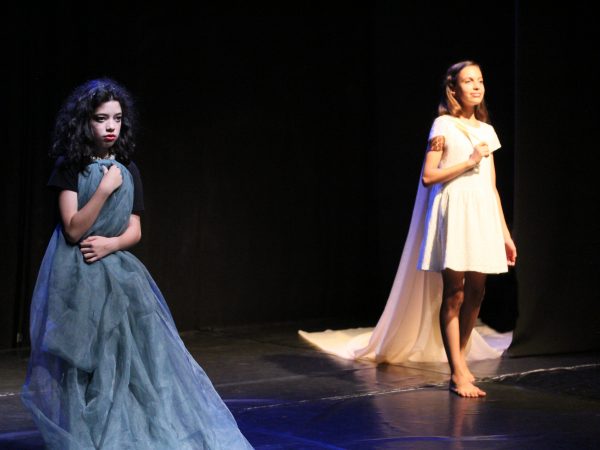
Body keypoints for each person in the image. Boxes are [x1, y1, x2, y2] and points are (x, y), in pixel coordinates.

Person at [22, 78, 254, 449]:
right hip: (78, 273)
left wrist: (112, 243)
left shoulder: (128, 167)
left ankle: (123, 432)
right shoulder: (70, 167)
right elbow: (73, 229)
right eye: (101, 118)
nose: (110, 126)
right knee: (83, 361)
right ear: (85, 122)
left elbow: (135, 229)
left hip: (119, 274)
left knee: (127, 359)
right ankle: (86, 436)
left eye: (117, 118)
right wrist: (103, 189)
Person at [299, 60, 517, 398]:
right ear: (454, 88)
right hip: (454, 211)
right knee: (455, 292)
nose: (476, 86)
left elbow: (492, 187)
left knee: (477, 291)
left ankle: (460, 359)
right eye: (468, 81)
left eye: (480, 80)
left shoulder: (487, 131)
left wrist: (504, 233)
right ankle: (457, 372)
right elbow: (429, 176)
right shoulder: (443, 125)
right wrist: (468, 162)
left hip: (482, 213)